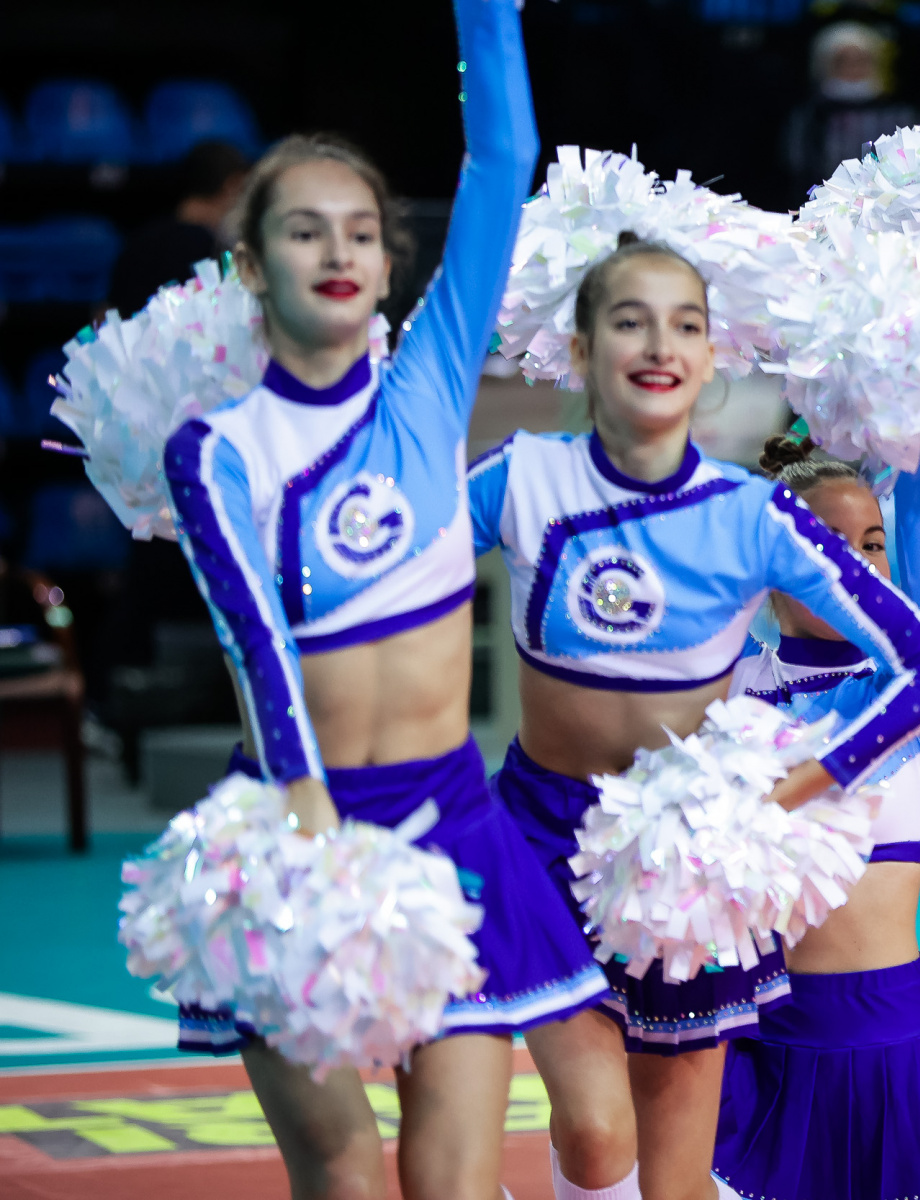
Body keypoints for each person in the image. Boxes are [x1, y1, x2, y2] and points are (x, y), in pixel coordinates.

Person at [162, 3, 612, 1197]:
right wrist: (308, 816)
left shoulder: (428, 383)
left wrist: (487, 12)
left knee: (452, 1183)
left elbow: (503, 161)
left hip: (449, 827)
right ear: (251, 264)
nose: (339, 250)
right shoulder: (216, 449)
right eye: (304, 230)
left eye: (360, 230)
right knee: (347, 1180)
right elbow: (254, 640)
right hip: (292, 831)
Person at [471, 237, 920, 1200]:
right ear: (580, 351)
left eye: (685, 325)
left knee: (677, 1175)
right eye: (630, 321)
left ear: (709, 357)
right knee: (596, 1132)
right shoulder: (522, 475)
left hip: (686, 861)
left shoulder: (750, 513)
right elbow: (396, 583)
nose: (660, 344)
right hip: (540, 832)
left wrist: (791, 794)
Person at [711, 438, 920, 1200]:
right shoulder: (729, 686)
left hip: (899, 1044)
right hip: (759, 1042)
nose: (855, 566)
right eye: (827, 544)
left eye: (872, 543)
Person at [108, 138, 250, 318]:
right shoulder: (214, 252)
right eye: (244, 190)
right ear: (232, 186)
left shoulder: (138, 241)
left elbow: (106, 312)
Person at [784, 22, 920, 207]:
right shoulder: (810, 114)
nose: (852, 68)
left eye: (860, 61)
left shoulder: (897, 113)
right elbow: (797, 162)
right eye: (843, 62)